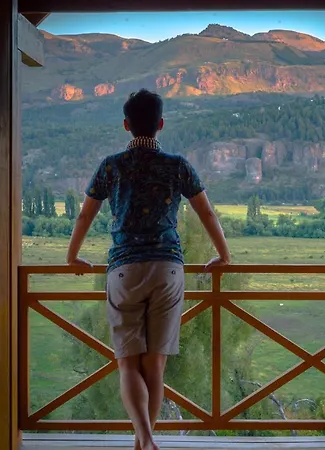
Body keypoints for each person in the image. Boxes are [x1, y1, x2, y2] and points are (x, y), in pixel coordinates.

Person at [66, 89, 231, 450]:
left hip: (123, 269)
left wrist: (72, 256)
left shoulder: (111, 166)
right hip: (168, 269)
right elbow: (206, 212)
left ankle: (144, 440)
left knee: (128, 365)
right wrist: (224, 255)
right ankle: (145, 443)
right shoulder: (177, 165)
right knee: (154, 366)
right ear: (161, 124)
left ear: (126, 125)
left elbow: (84, 215)